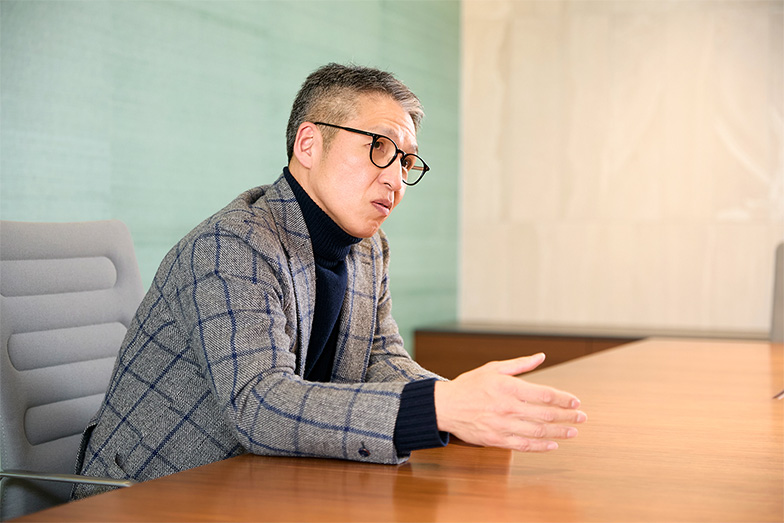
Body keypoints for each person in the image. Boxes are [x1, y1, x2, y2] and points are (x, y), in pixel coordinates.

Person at [72, 63, 586, 499]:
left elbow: (381, 360)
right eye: (380, 148)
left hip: (263, 484)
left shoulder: (368, 249)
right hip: (151, 492)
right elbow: (259, 404)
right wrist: (437, 408)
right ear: (308, 144)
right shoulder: (232, 244)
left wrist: (462, 406)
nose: (396, 179)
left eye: (407, 161)